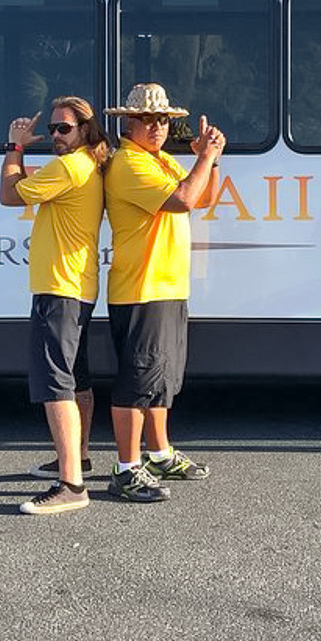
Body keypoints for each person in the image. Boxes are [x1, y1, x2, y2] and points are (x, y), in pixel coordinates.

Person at [101, 82, 225, 503]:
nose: (157, 127)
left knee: (160, 380)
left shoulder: (161, 160)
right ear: (129, 123)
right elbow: (185, 200)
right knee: (137, 381)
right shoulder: (129, 165)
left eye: (163, 120)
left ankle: (158, 453)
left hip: (166, 286)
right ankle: (125, 469)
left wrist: (212, 159)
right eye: (148, 120)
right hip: (141, 288)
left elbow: (204, 196)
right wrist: (204, 157)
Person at [0, 96, 109, 516]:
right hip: (78, 285)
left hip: (59, 288)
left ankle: (71, 485)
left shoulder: (69, 167)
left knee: (55, 385)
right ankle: (76, 458)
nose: (57, 136)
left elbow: (10, 195)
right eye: (55, 129)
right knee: (76, 380)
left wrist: (15, 146)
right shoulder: (90, 165)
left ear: (84, 129)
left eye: (65, 129)